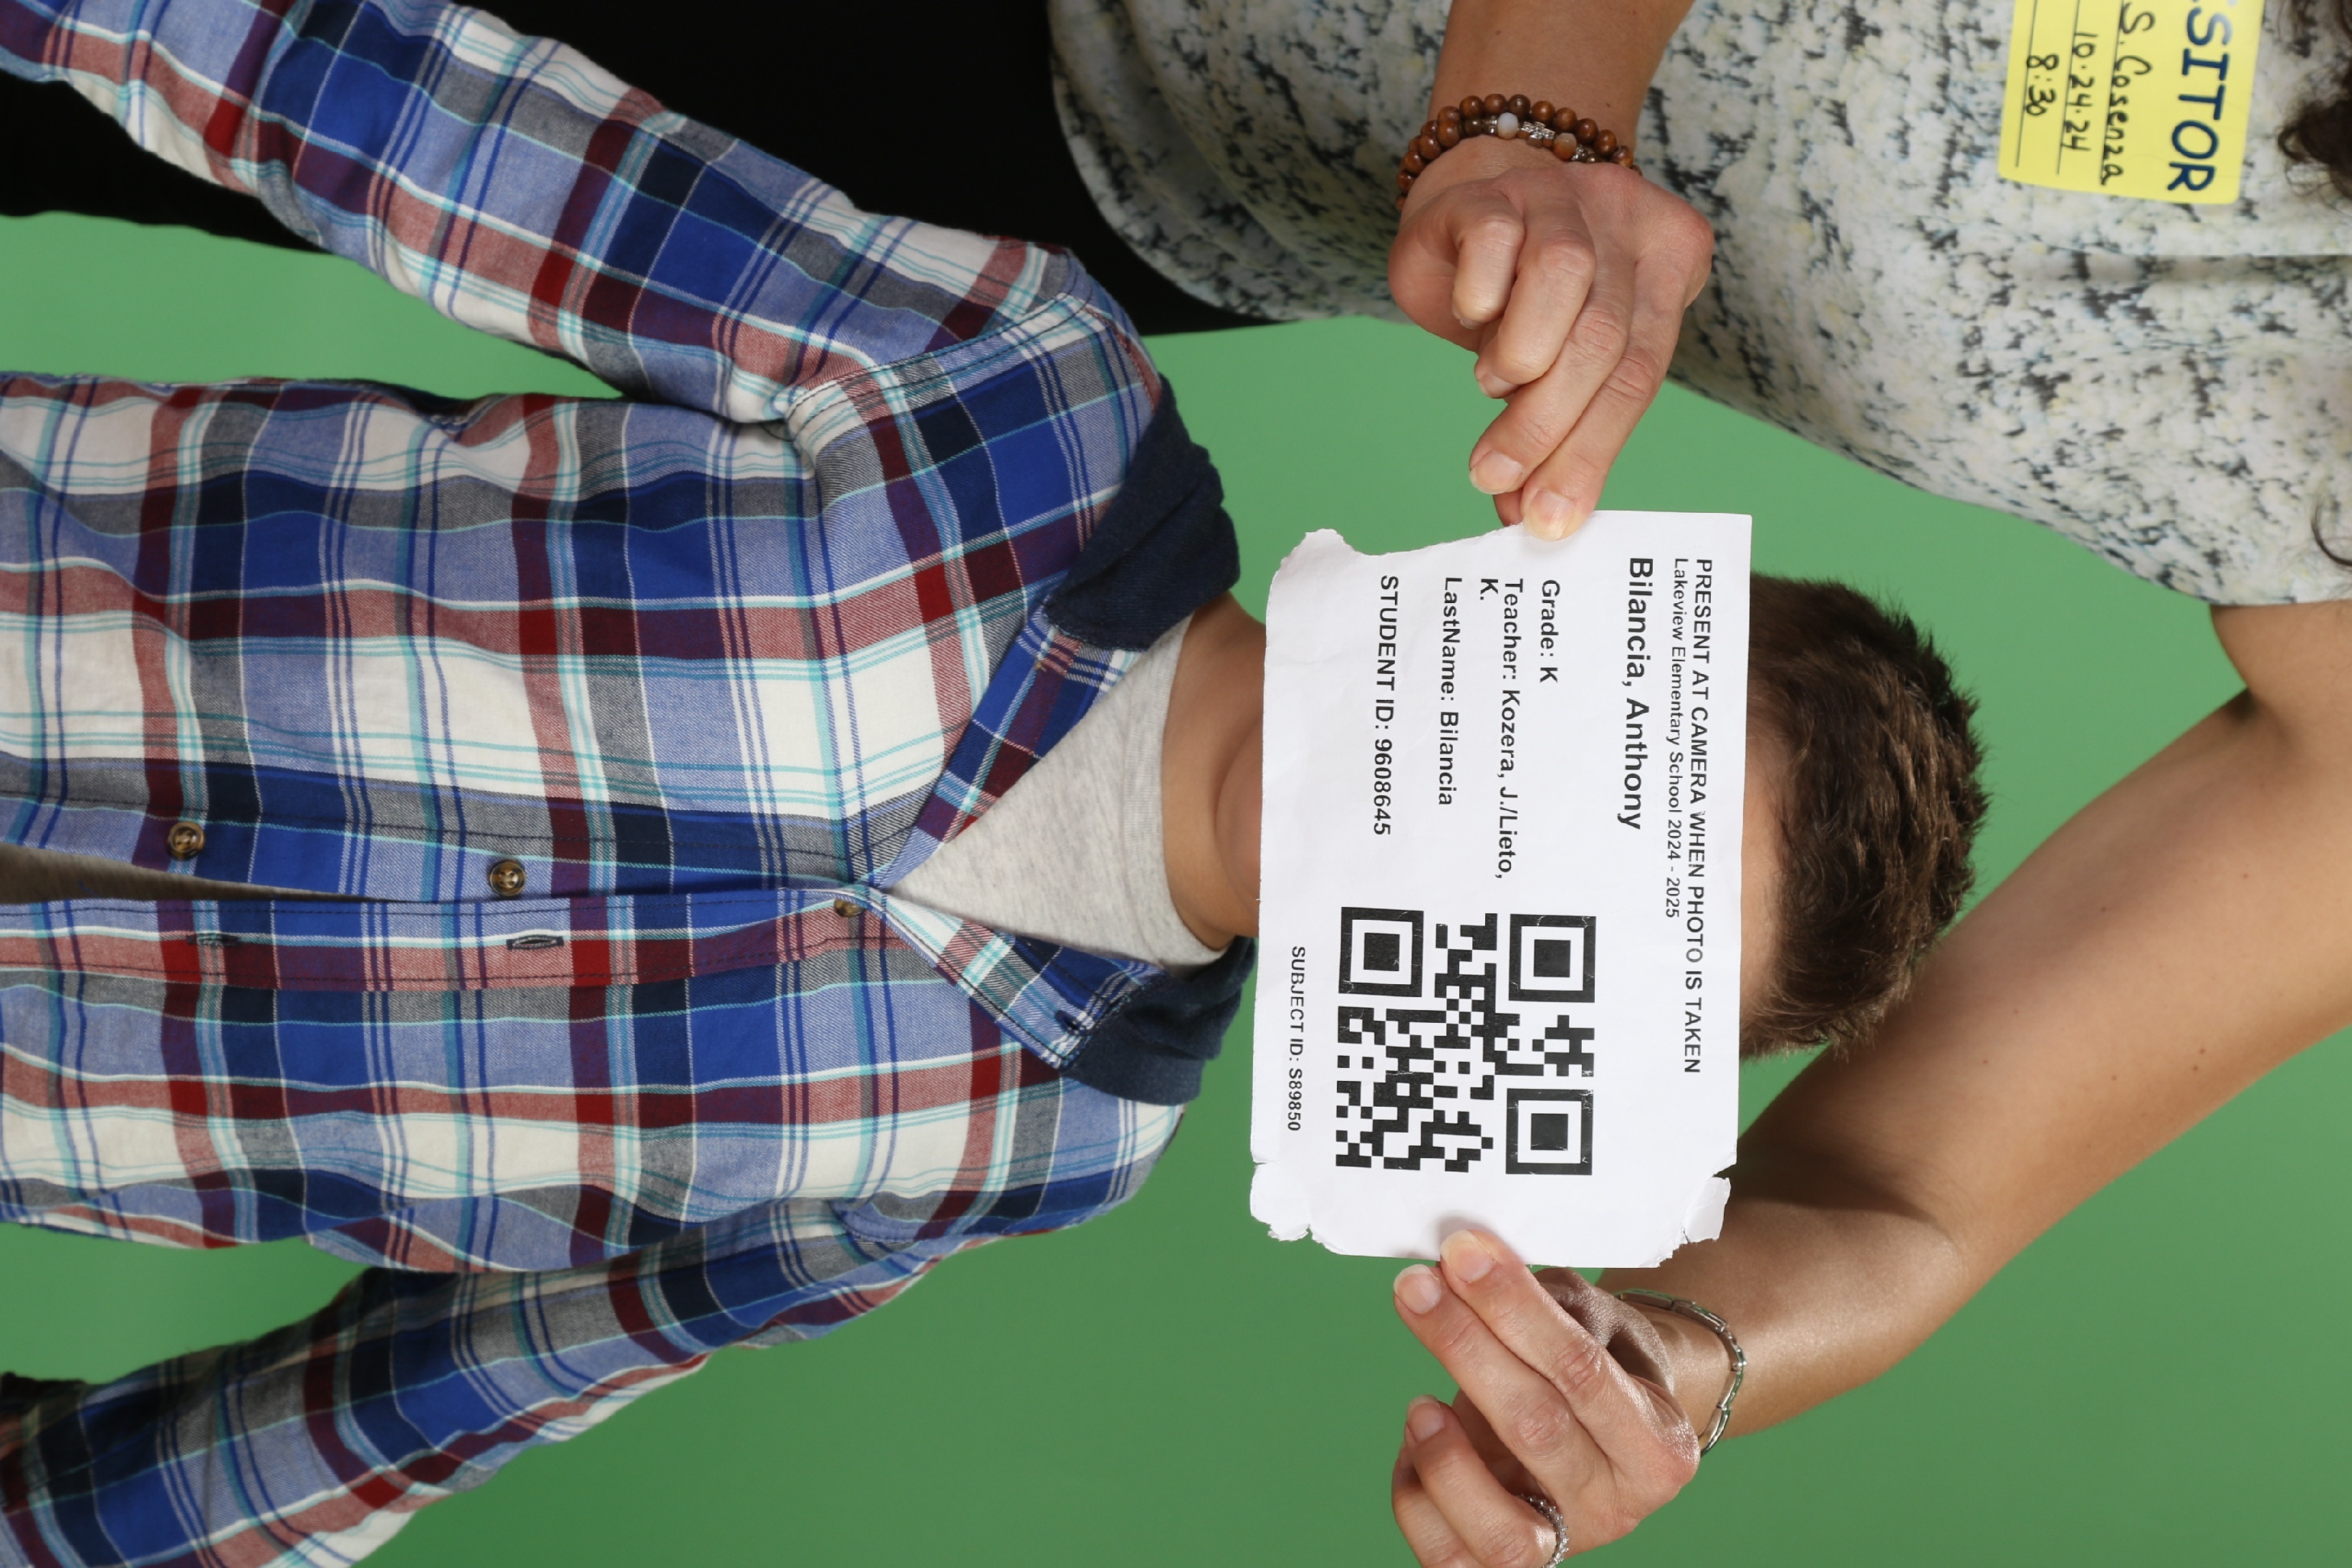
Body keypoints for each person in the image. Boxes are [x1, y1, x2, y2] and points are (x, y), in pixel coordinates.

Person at [0, 1, 1993, 1563]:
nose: (1494, 867)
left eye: (1587, 947)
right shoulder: (1017, 395)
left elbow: (487, 1372)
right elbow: (438, 133)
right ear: (1546, 584)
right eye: (1595, 779)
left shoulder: (1046, 1140)